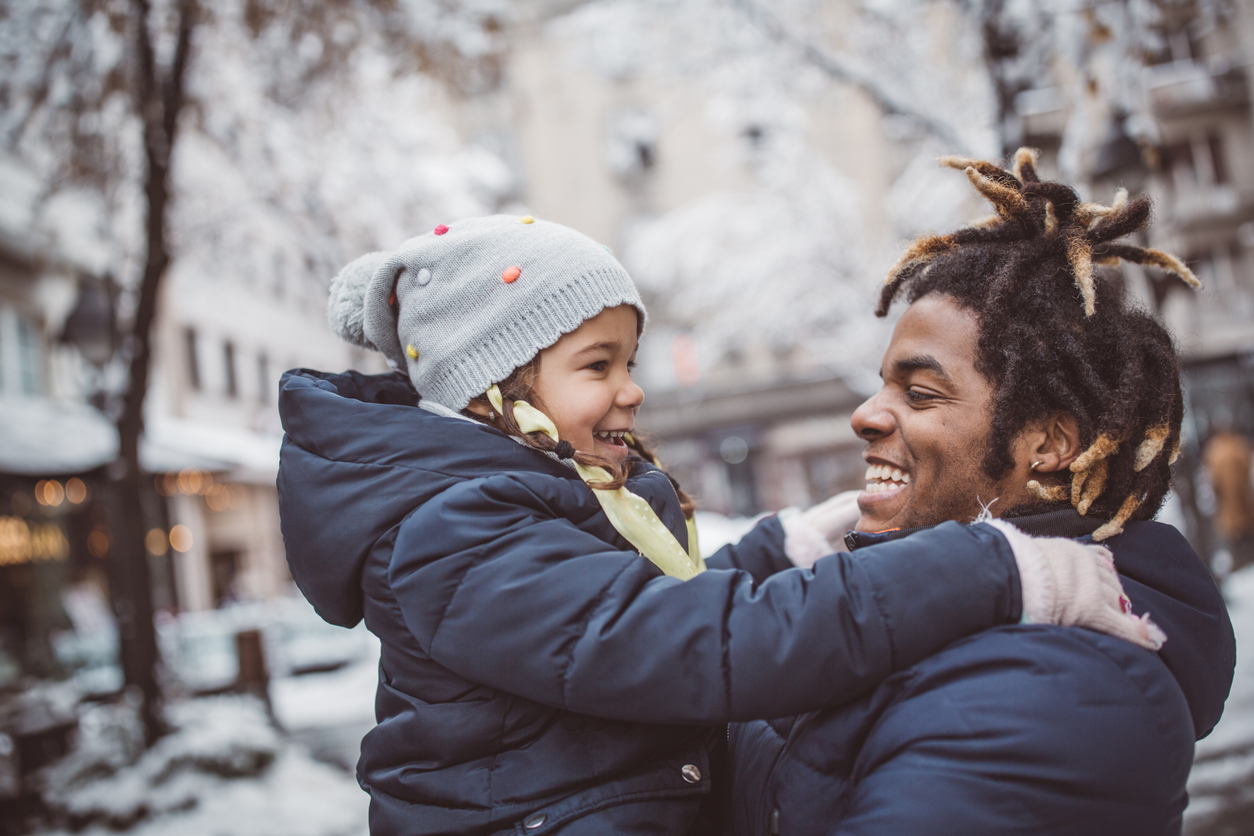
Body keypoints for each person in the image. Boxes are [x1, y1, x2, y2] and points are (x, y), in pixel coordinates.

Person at [276, 214, 1150, 836]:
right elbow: (691, 641)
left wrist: (788, 547)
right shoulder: (459, 532)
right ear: (491, 387)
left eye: (631, 360)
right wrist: (990, 567)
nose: (633, 388)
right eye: (597, 365)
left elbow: (654, 608)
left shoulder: (545, 498)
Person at [728, 151, 1238, 836]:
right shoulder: (924, 624)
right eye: (882, 386)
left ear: (1049, 447)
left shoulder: (1059, 693)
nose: (867, 415)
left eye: (920, 393)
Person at [1202, 425, 1254, 574]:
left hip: (1228, 499)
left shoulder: (1214, 450)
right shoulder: (1239, 444)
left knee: (1235, 529)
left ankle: (1241, 561)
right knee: (1244, 527)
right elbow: (1247, 464)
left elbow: (1212, 476)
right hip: (1241, 496)